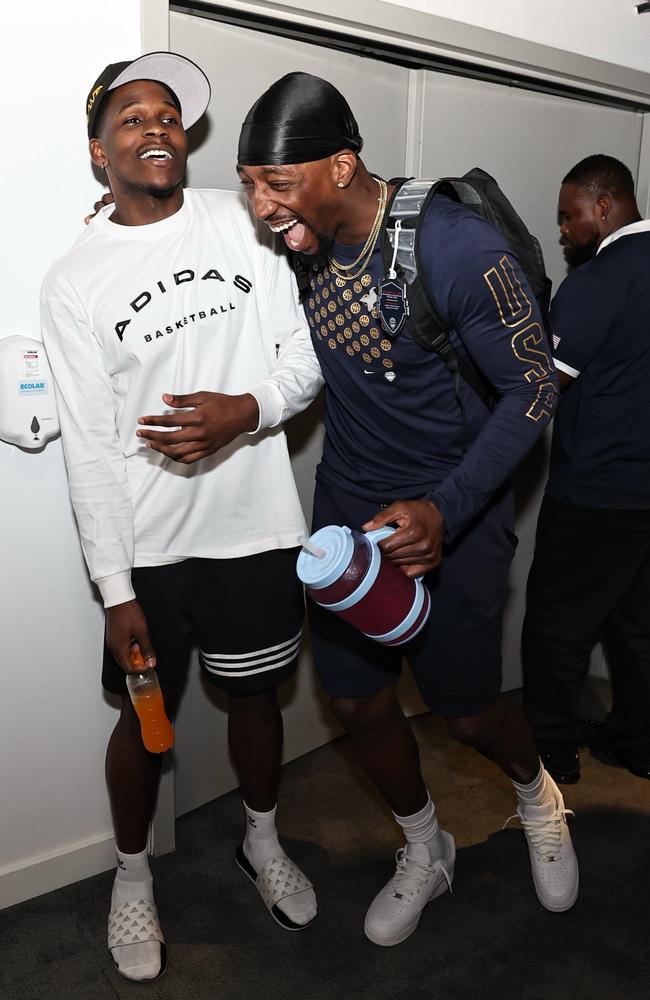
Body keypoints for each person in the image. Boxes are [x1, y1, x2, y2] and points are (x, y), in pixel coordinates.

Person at [141, 70, 577, 948]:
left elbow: (534, 392)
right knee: (359, 705)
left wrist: (447, 509)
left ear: (342, 165)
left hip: (457, 509)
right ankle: (426, 845)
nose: (261, 208)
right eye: (251, 185)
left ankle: (540, 797)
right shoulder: (295, 243)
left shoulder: (455, 251)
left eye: (278, 184)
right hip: (349, 516)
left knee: (465, 711)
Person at [41, 53, 323, 982]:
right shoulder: (76, 278)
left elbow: (303, 358)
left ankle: (262, 840)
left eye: (167, 115)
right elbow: (88, 445)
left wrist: (246, 412)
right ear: (99, 152)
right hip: (152, 550)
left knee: (256, 700)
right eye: (131, 118)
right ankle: (130, 879)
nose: (155, 127)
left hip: (256, 530)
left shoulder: (244, 224)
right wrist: (115, 589)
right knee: (144, 724)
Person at [522, 154, 650, 785]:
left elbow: (542, 387)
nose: (566, 232)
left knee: (558, 624)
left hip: (596, 493)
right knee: (639, 627)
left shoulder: (599, 281)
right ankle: (639, 741)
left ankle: (549, 751)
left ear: (605, 206)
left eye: (571, 218)